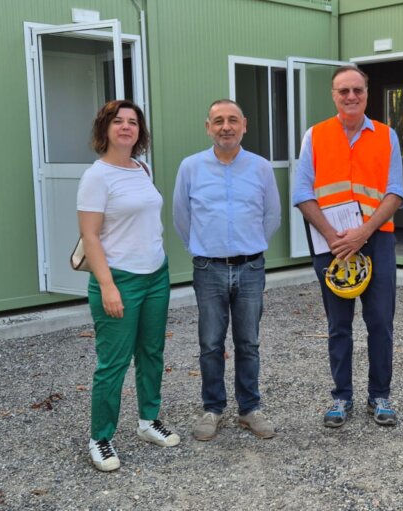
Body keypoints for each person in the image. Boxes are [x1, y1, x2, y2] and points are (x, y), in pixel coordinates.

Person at [292, 65, 403, 428]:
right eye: (344, 91)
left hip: (377, 240)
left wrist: (363, 233)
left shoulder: (386, 135)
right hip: (331, 244)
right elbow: (302, 193)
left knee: (380, 323)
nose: (351, 96)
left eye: (357, 90)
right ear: (333, 95)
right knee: (338, 325)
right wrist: (332, 236)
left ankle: (379, 396)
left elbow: (395, 192)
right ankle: (341, 397)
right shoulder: (315, 135)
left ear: (367, 94)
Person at [77, 99, 178, 472]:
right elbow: (90, 236)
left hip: (156, 275)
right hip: (118, 278)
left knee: (151, 353)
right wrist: (107, 286)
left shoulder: (142, 168)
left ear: (140, 131)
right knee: (113, 363)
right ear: (104, 128)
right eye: (117, 121)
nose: (125, 127)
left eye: (132, 122)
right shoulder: (96, 177)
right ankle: (100, 438)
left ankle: (148, 421)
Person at [173, 99, 281, 441]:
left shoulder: (261, 168)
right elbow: (181, 216)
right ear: (208, 127)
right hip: (209, 269)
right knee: (210, 343)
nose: (226, 127)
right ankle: (213, 409)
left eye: (232, 120)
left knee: (248, 342)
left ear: (244, 125)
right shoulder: (190, 167)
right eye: (218, 121)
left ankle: (249, 409)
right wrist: (203, 247)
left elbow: (272, 215)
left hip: (250, 268)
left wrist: (251, 244)